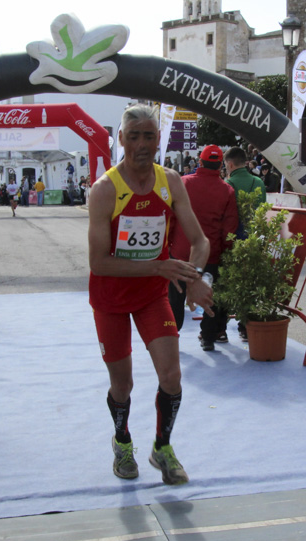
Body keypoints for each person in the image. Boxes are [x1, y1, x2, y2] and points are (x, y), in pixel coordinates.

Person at [87, 104, 213, 486]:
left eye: (150, 136)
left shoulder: (170, 181)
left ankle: (162, 446)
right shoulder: (105, 190)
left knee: (172, 376)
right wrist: (160, 266)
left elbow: (200, 240)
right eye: (135, 136)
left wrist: (195, 276)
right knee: (122, 385)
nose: (142, 144)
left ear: (159, 140)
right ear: (121, 140)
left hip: (151, 295)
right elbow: (99, 262)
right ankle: (123, 440)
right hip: (110, 296)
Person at [168, 145, 238, 350]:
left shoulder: (183, 183)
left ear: (199, 162)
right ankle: (208, 338)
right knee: (209, 298)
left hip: (180, 253)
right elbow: (229, 227)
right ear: (220, 165)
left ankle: (171, 338)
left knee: (175, 299)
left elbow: (171, 218)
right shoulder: (227, 190)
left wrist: (170, 245)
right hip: (211, 255)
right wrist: (225, 249)